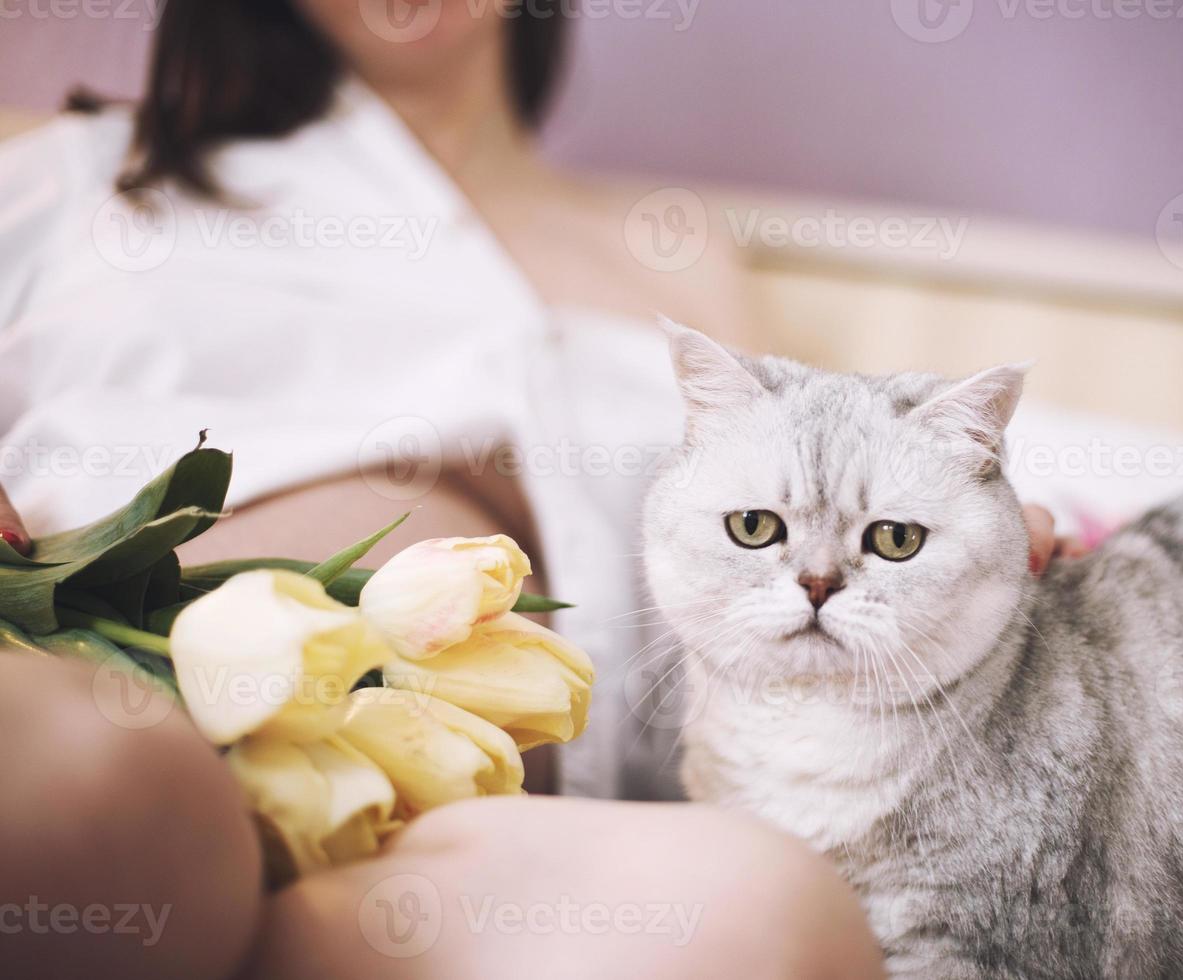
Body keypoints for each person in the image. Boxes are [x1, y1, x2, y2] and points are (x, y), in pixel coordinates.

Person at [0, 2, 1079, 976]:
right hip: (123, 690)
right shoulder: (79, 178)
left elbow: (799, 546)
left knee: (762, 915)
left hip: (464, 832)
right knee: (106, 792)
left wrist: (956, 554)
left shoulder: (679, 261)